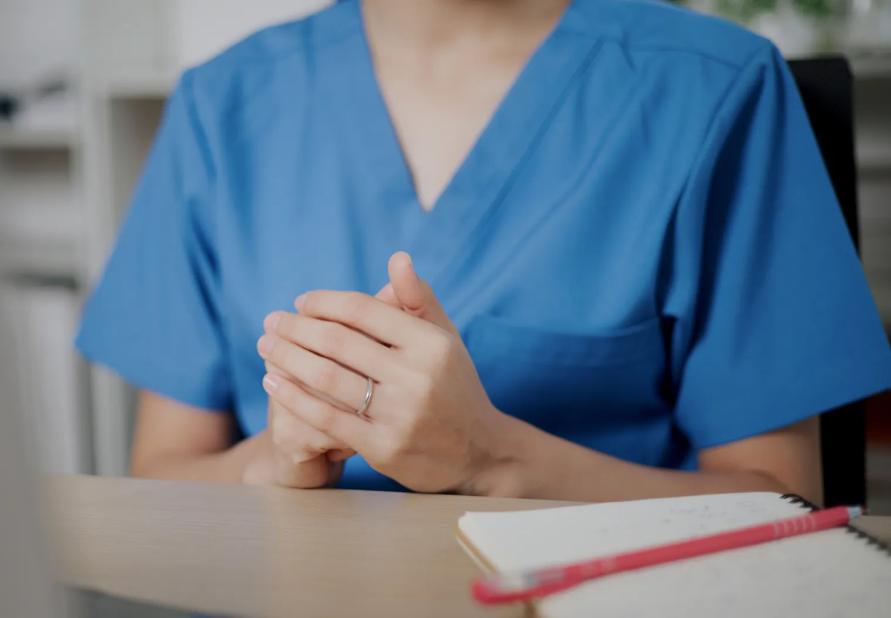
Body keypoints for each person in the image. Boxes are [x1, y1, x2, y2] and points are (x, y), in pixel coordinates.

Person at [76, 0, 891, 501]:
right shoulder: (222, 104)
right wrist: (271, 463)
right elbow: (159, 479)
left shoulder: (710, 88)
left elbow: (782, 503)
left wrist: (490, 456)